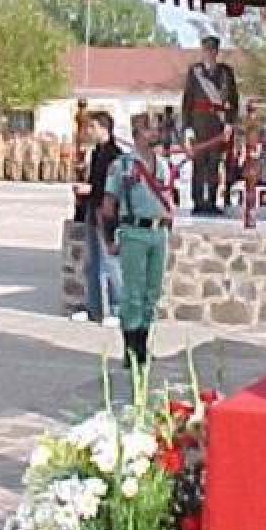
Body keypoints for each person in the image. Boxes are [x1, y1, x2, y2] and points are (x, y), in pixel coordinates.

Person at [99, 112, 174, 368]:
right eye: (151, 129)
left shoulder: (162, 165)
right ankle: (131, 350)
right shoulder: (123, 166)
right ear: (138, 133)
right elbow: (109, 204)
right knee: (133, 293)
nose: (157, 134)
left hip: (158, 231)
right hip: (134, 231)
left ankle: (144, 344)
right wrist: (109, 237)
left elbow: (169, 198)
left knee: (152, 292)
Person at [71, 111, 123, 326]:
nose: (89, 132)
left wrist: (90, 190)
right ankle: (94, 308)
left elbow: (111, 188)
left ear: (103, 128)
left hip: (107, 213)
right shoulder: (97, 153)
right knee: (92, 263)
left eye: (92, 127)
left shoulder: (114, 155)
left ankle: (117, 309)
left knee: (109, 263)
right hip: (93, 210)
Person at [181, 31, 239, 215]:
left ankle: (212, 201)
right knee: (198, 164)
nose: (210, 53)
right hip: (198, 122)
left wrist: (229, 122)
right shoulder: (195, 71)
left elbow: (233, 99)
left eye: (213, 49)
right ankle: (198, 201)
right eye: (207, 49)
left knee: (214, 164)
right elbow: (187, 101)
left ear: (216, 51)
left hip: (217, 124)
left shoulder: (225, 72)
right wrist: (187, 127)